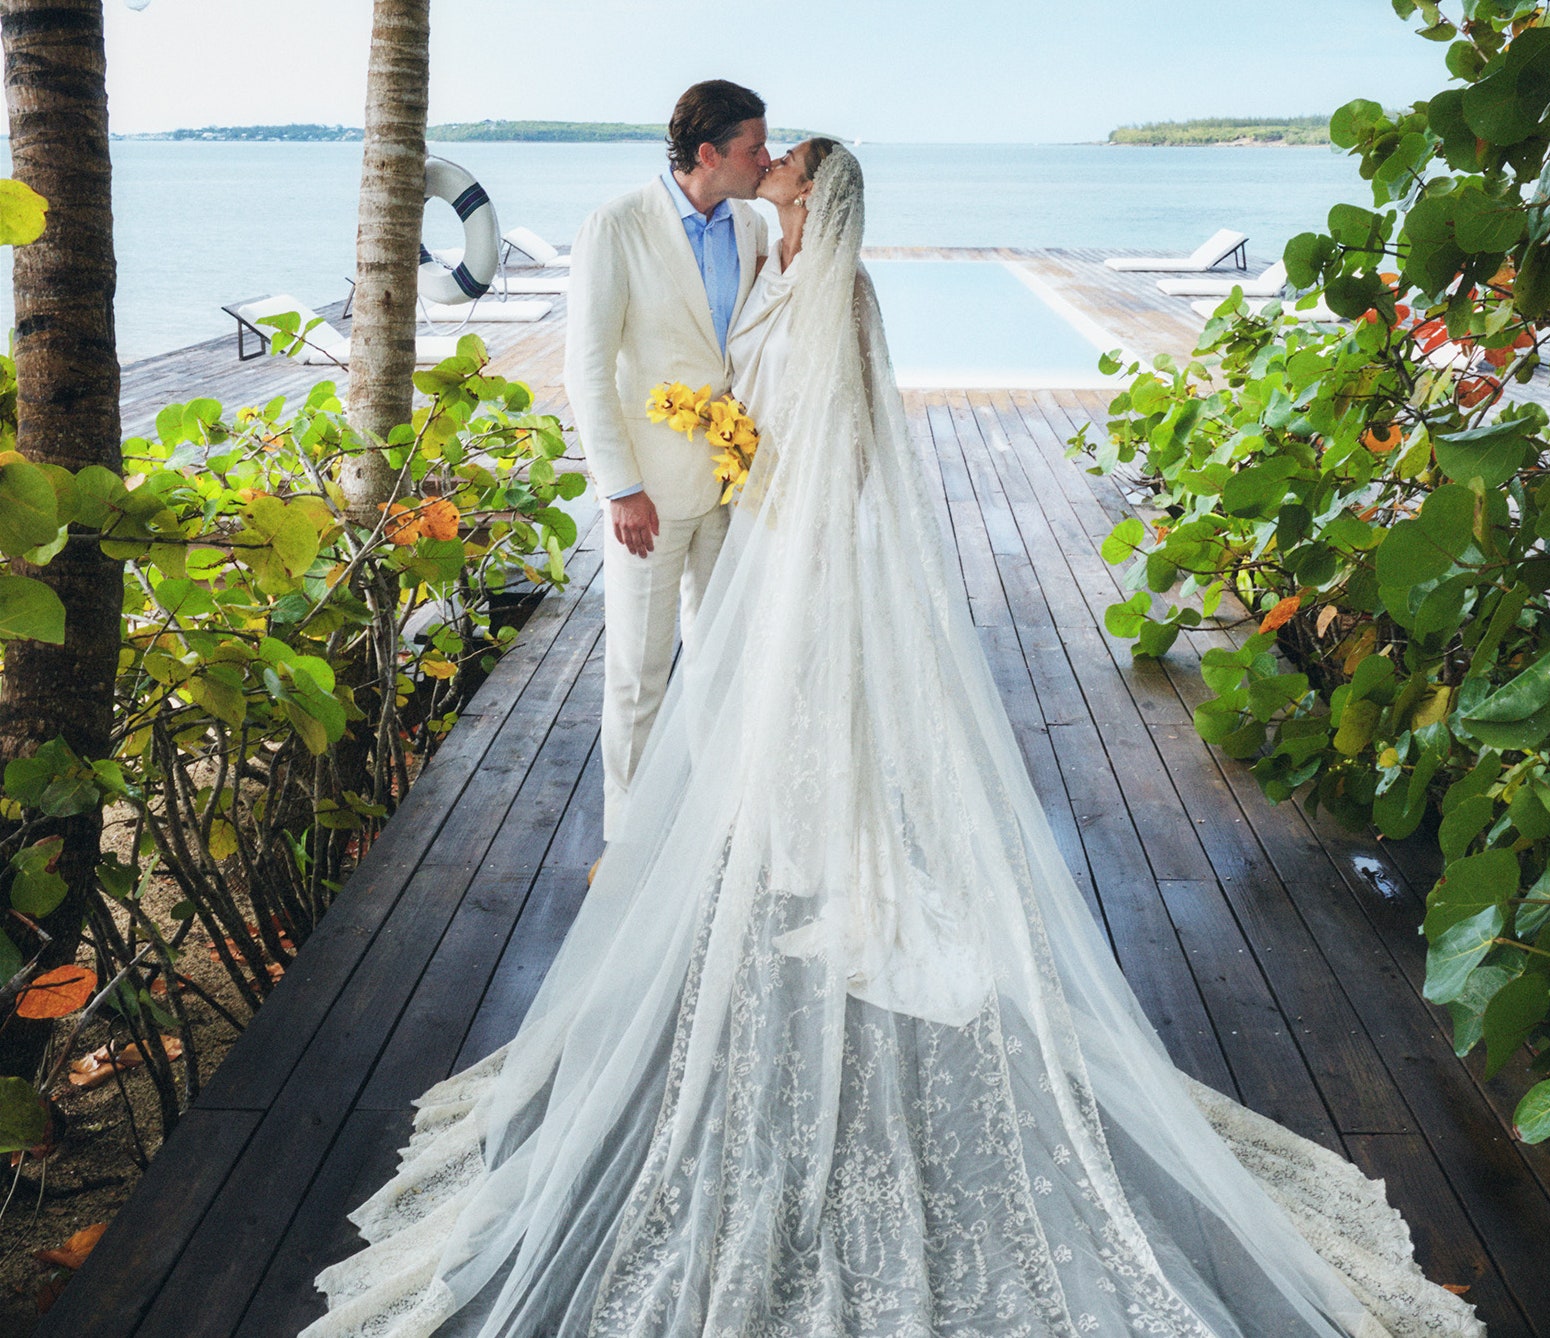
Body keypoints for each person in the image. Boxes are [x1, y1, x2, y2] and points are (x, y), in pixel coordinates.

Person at [301, 143, 1484, 1338]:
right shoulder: (769, 258)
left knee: (812, 717)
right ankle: (780, 859)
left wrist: (781, 500)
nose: (770, 168)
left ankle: (829, 866)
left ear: (813, 196)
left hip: (800, 547)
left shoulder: (844, 294)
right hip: (751, 526)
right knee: (748, 721)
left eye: (789, 166)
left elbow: (852, 437)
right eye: (763, 155)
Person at [563, 79, 771, 843]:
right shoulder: (616, 226)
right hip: (647, 495)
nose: (766, 159)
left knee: (721, 661)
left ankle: (710, 828)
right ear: (710, 153)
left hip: (729, 484)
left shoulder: (751, 226)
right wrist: (620, 489)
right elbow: (585, 370)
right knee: (640, 675)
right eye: (755, 148)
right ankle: (630, 845)